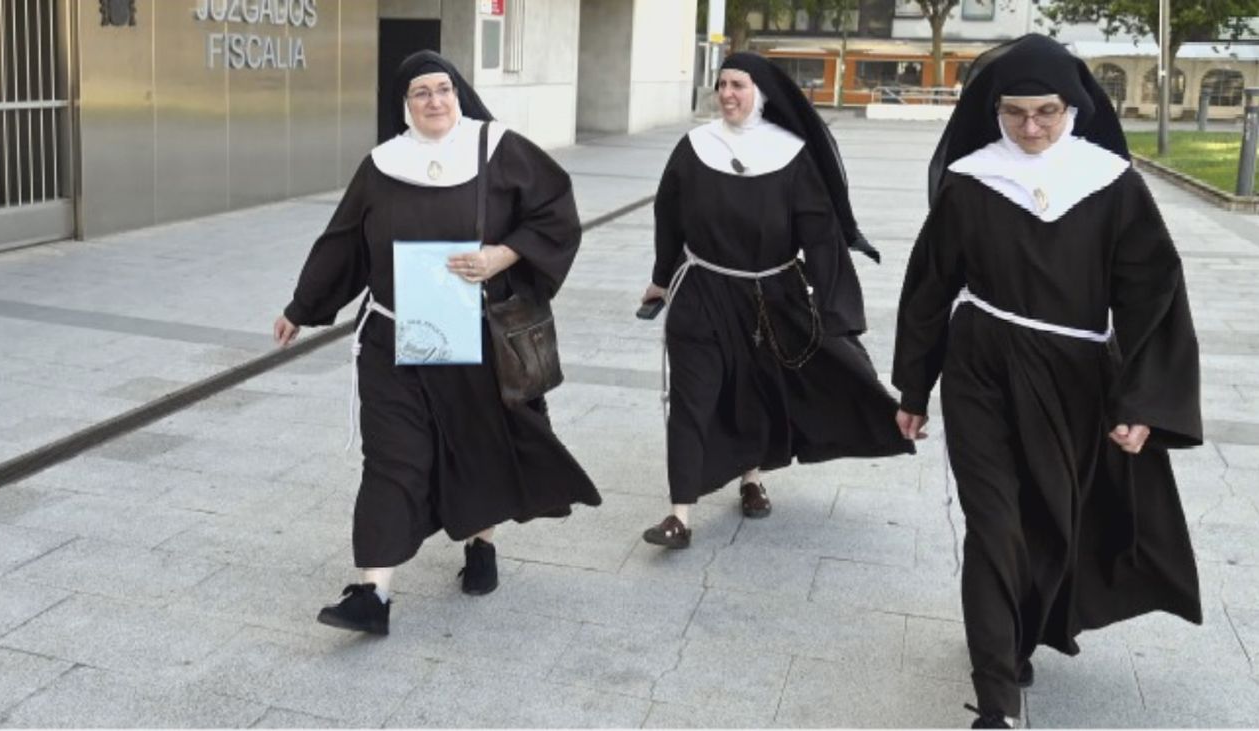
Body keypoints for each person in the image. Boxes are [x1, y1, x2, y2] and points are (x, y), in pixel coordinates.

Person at [893, 34, 1203, 729]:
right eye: (1014, 112)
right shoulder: (972, 181)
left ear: (1075, 108)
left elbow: (1152, 294)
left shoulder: (1111, 184)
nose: (1030, 128)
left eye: (1046, 112)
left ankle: (1017, 633)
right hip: (981, 366)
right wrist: (914, 388)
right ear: (993, 110)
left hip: (1076, 376)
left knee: (1046, 518)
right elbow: (930, 286)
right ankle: (996, 700)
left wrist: (1141, 399)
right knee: (992, 523)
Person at [273, 51, 600, 635]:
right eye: (420, 92)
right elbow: (344, 242)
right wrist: (302, 307)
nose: (434, 101)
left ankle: (481, 545)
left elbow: (555, 213)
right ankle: (373, 593)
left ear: (459, 93)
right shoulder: (382, 165)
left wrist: (501, 256)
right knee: (391, 458)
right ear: (405, 104)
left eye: (443, 89)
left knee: (480, 444)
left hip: (474, 333)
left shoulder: (497, 148)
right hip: (393, 337)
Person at [640, 52, 912, 549]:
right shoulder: (694, 147)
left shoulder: (791, 154)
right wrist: (662, 278)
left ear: (761, 93)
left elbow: (820, 234)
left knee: (754, 391)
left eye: (738, 85)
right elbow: (668, 217)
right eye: (721, 84)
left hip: (771, 296)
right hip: (702, 290)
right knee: (691, 398)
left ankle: (752, 479)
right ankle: (679, 514)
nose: (726, 94)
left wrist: (833, 307)